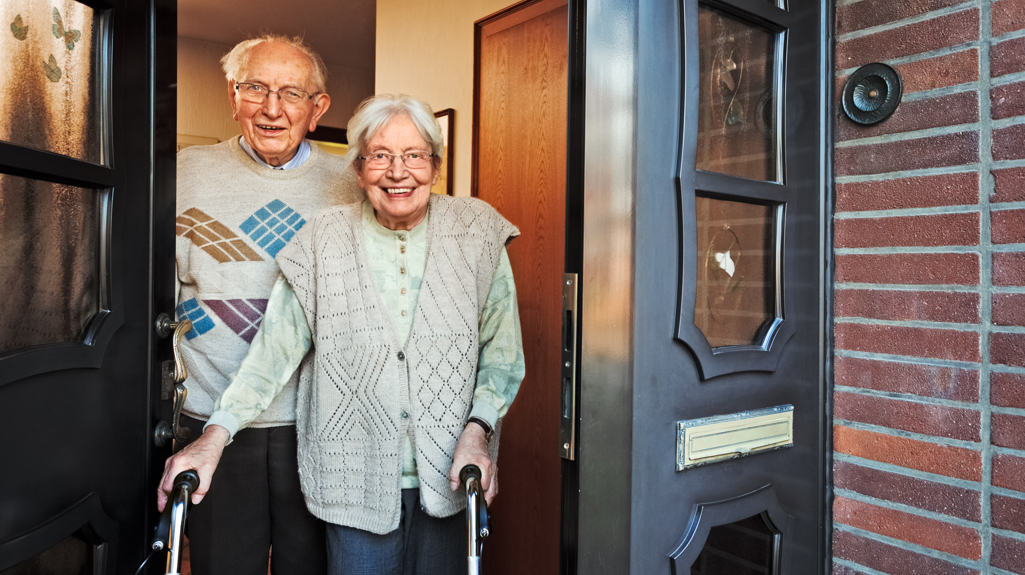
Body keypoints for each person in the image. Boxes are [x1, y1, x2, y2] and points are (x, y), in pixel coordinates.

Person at [160, 94, 524, 574]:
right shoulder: (321, 240)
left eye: (414, 155)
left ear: (435, 167)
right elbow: (273, 353)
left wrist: (478, 432)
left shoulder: (477, 232)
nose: (398, 172)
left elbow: (502, 355)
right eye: (380, 156)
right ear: (358, 170)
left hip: (453, 474)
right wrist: (214, 435)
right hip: (353, 478)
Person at [162, 34, 363, 574]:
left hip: (317, 420)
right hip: (213, 417)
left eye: (291, 93)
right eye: (255, 88)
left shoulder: (351, 185)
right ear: (233, 97)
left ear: (317, 108)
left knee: (313, 566)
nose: (272, 108)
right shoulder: (183, 172)